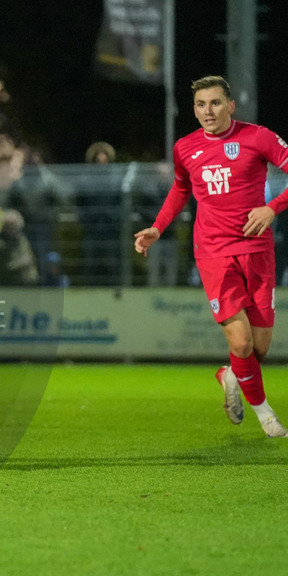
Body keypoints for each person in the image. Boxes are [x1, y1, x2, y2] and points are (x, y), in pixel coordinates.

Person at [134, 75, 288, 438]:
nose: (208, 111)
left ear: (231, 106)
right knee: (241, 343)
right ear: (194, 109)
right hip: (214, 252)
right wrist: (158, 227)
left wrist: (272, 209)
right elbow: (180, 189)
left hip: (257, 249)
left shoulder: (258, 136)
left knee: (259, 349)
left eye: (215, 103)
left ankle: (230, 375)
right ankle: (266, 417)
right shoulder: (185, 148)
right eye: (201, 105)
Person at [75, 141, 123, 285]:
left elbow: (121, 201)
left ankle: (115, 289)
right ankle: (90, 288)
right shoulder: (86, 179)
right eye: (99, 158)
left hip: (110, 227)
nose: (102, 161)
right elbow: (80, 202)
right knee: (90, 261)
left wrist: (114, 217)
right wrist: (85, 219)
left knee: (113, 260)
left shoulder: (116, 179)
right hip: (92, 226)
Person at [0, 208, 39, 286]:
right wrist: (21, 264)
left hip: (29, 284)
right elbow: (0, 269)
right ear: (4, 226)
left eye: (15, 224)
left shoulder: (23, 240)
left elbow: (30, 259)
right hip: (9, 285)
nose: (12, 227)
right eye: (9, 225)